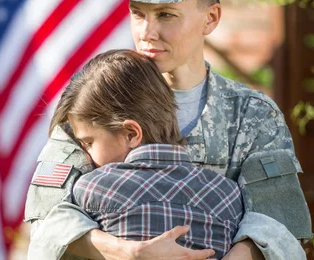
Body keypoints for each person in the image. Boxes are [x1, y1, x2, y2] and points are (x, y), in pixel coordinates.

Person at [25, 0, 312, 260]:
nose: (147, 32)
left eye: (165, 15)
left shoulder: (251, 115)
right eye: (138, 13)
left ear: (211, 18)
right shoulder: (95, 100)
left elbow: (281, 229)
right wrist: (127, 251)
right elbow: (46, 224)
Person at [49, 49, 244, 259]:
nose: (86, 154)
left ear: (131, 134)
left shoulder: (92, 189)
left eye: (88, 142)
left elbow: (48, 229)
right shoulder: (228, 196)